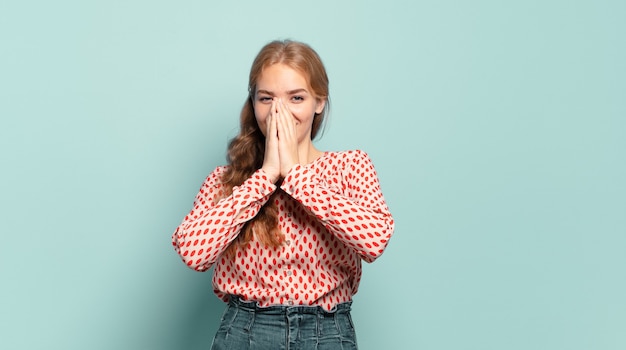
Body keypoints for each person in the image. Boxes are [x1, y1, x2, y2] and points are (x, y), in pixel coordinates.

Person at [172, 39, 395, 350]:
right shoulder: (226, 181)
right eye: (267, 98)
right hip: (247, 331)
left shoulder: (350, 166)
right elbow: (193, 251)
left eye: (296, 98)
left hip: (327, 331)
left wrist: (295, 176)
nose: (280, 111)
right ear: (253, 104)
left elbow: (374, 240)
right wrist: (264, 177)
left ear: (319, 102)